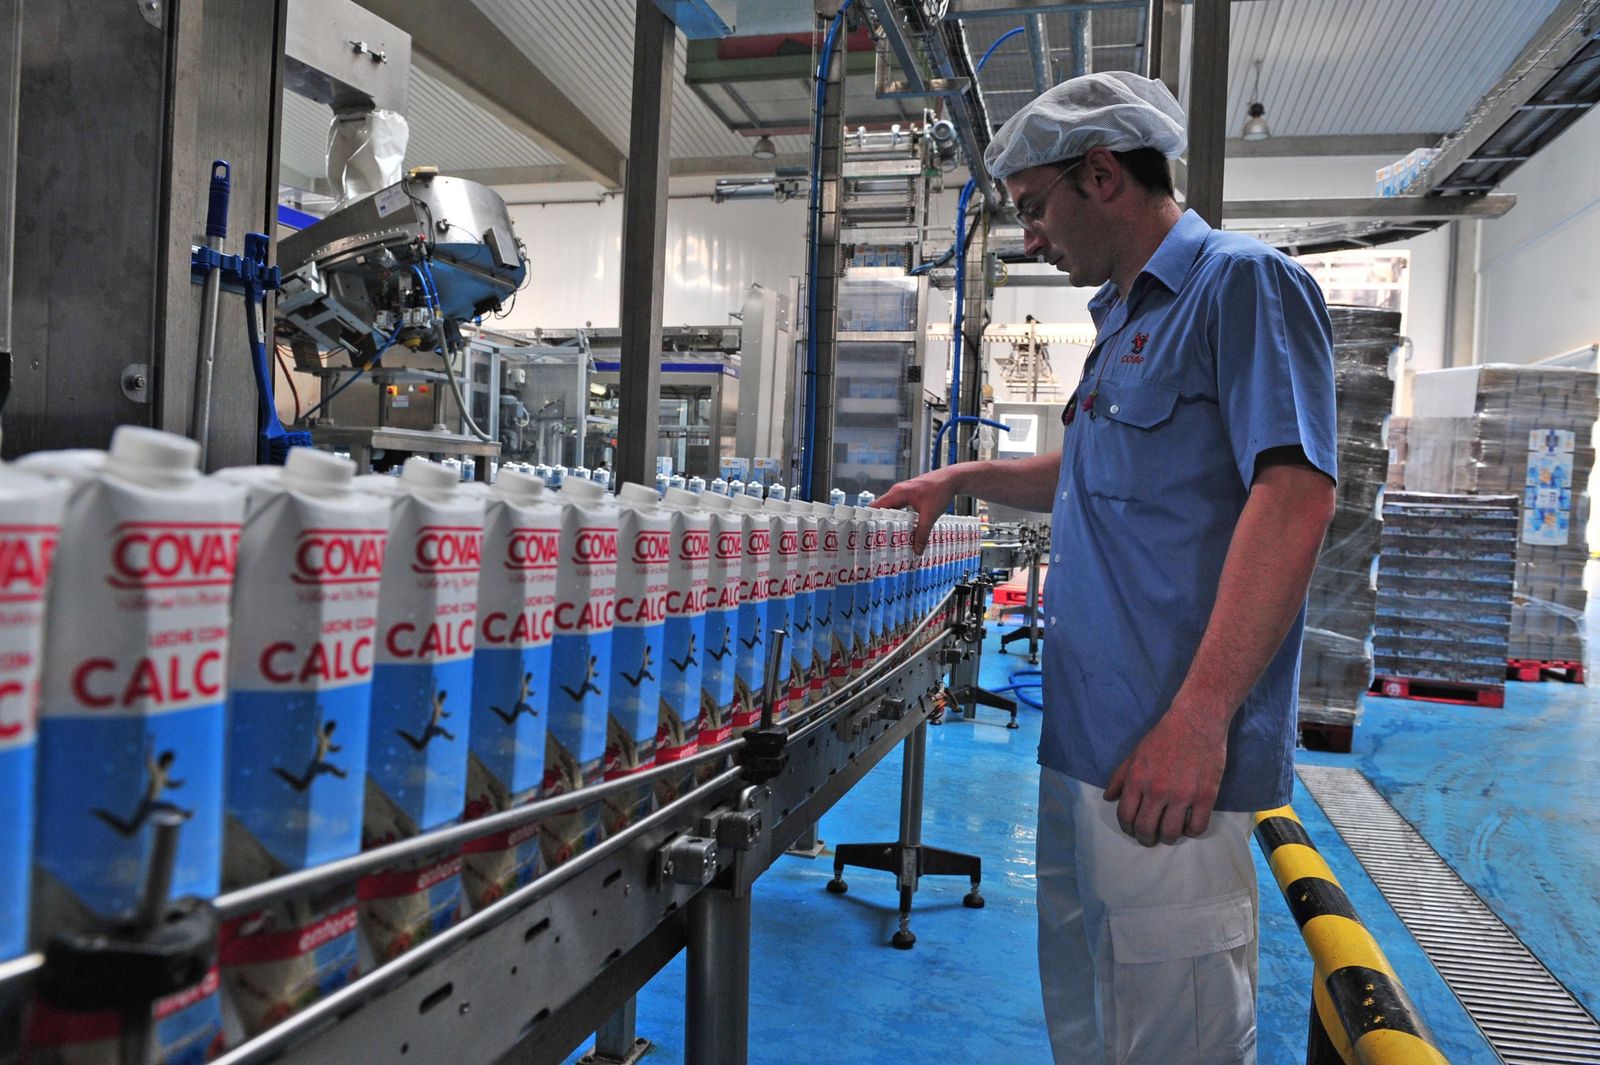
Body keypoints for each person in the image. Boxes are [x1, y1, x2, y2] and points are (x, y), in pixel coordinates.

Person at [874, 71, 1337, 1065]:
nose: (1031, 237)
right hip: (1083, 742)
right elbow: (1087, 467)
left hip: (1167, 756)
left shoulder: (1239, 284)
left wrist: (1199, 719)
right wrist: (959, 476)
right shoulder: (1125, 318)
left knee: (1175, 1038)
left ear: (1101, 177)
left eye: (1035, 208)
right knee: (1090, 1024)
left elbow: (1296, 496)